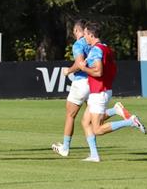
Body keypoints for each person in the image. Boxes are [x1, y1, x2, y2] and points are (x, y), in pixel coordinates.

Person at [51, 20, 136, 157]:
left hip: (81, 82)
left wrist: (68, 71)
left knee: (70, 115)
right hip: (94, 83)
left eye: (75, 32)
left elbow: (79, 64)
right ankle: (94, 153)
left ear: (78, 31)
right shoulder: (100, 45)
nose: (76, 35)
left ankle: (65, 147)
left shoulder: (79, 44)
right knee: (90, 119)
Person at [78, 21, 147, 162]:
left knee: (96, 129)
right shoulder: (105, 48)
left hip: (99, 91)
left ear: (91, 35)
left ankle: (130, 122)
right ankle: (94, 155)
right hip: (101, 90)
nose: (84, 37)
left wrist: (83, 68)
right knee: (85, 122)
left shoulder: (96, 50)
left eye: (85, 34)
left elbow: (98, 72)